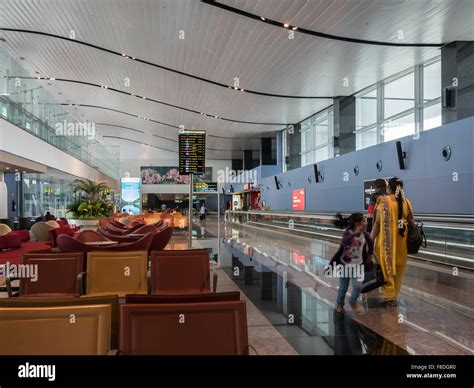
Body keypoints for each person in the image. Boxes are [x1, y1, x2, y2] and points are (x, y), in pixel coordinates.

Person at [370, 177, 414, 306]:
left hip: (386, 243)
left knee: (386, 266)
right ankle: (394, 294)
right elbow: (411, 222)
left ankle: (390, 295)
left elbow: (377, 223)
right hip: (401, 243)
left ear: (389, 187)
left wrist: (370, 239)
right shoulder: (406, 202)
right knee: (399, 267)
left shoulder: (383, 201)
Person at [330, 213, 374, 315]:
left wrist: (370, 254)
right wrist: (355, 234)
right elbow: (345, 242)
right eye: (364, 221)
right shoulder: (348, 233)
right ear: (357, 223)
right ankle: (339, 304)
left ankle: (352, 301)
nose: (366, 223)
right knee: (343, 288)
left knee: (358, 286)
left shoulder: (365, 234)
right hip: (345, 265)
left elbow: (371, 242)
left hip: (358, 265)